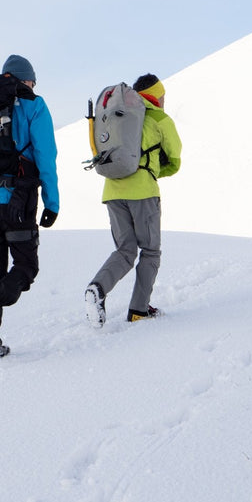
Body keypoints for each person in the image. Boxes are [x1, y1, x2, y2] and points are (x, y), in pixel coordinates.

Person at [0, 54, 59, 359]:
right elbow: (45, 155)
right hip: (16, 196)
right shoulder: (33, 105)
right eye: (32, 80)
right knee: (26, 267)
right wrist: (52, 202)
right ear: (25, 79)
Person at [84, 73, 182, 327]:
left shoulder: (119, 116)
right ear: (157, 95)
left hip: (113, 191)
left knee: (125, 250)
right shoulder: (159, 118)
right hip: (143, 193)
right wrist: (155, 171)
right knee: (150, 251)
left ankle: (98, 287)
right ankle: (139, 310)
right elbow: (175, 160)